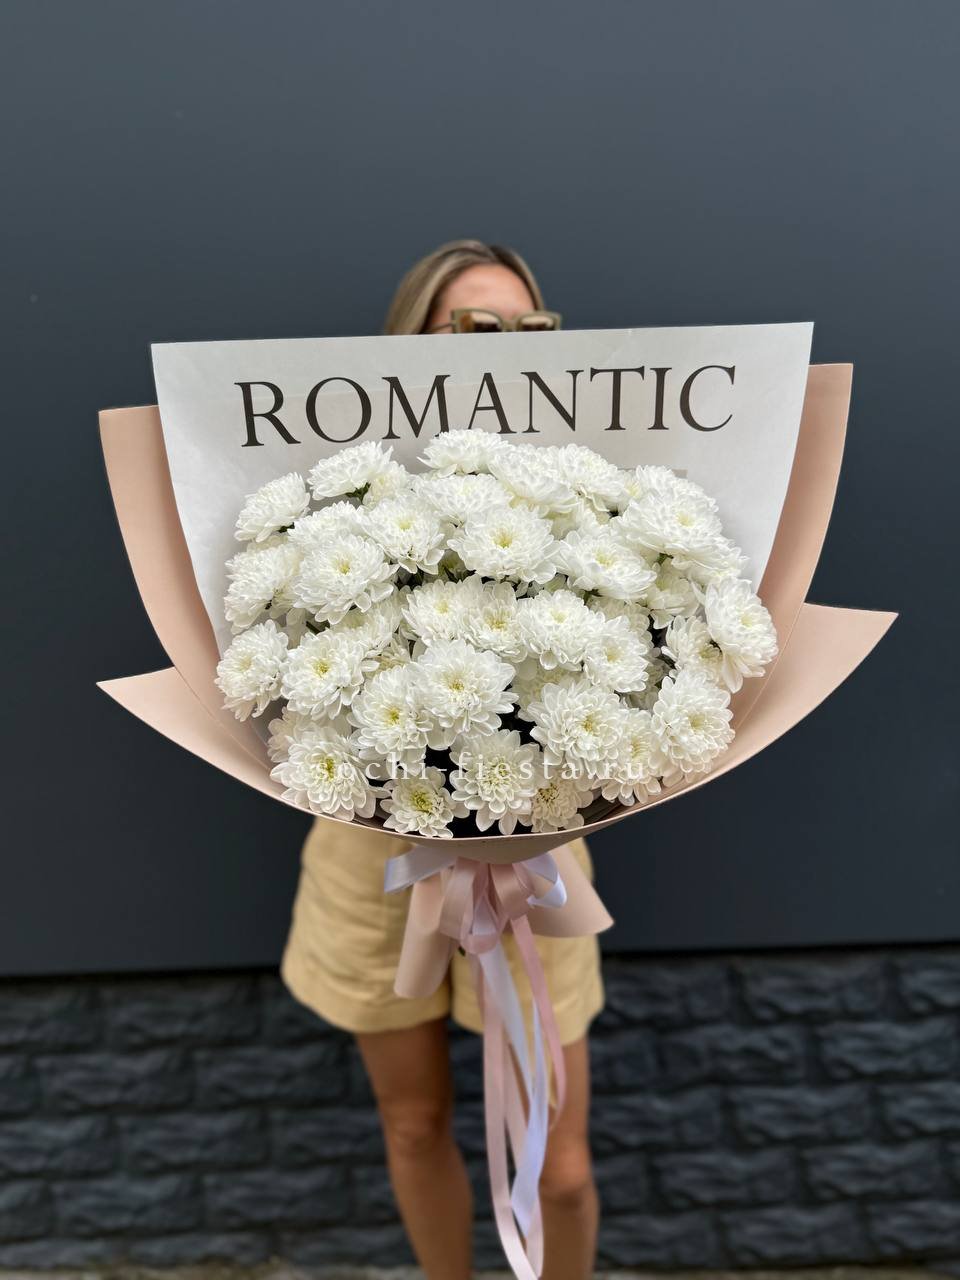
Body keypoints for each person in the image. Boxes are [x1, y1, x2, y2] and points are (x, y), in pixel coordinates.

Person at [280, 240, 605, 1280]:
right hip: (368, 846)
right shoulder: (333, 494)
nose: (501, 348)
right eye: (471, 327)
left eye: (528, 327)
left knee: (561, 1168)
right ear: (410, 344)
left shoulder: (590, 497)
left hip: (532, 849)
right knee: (414, 1123)